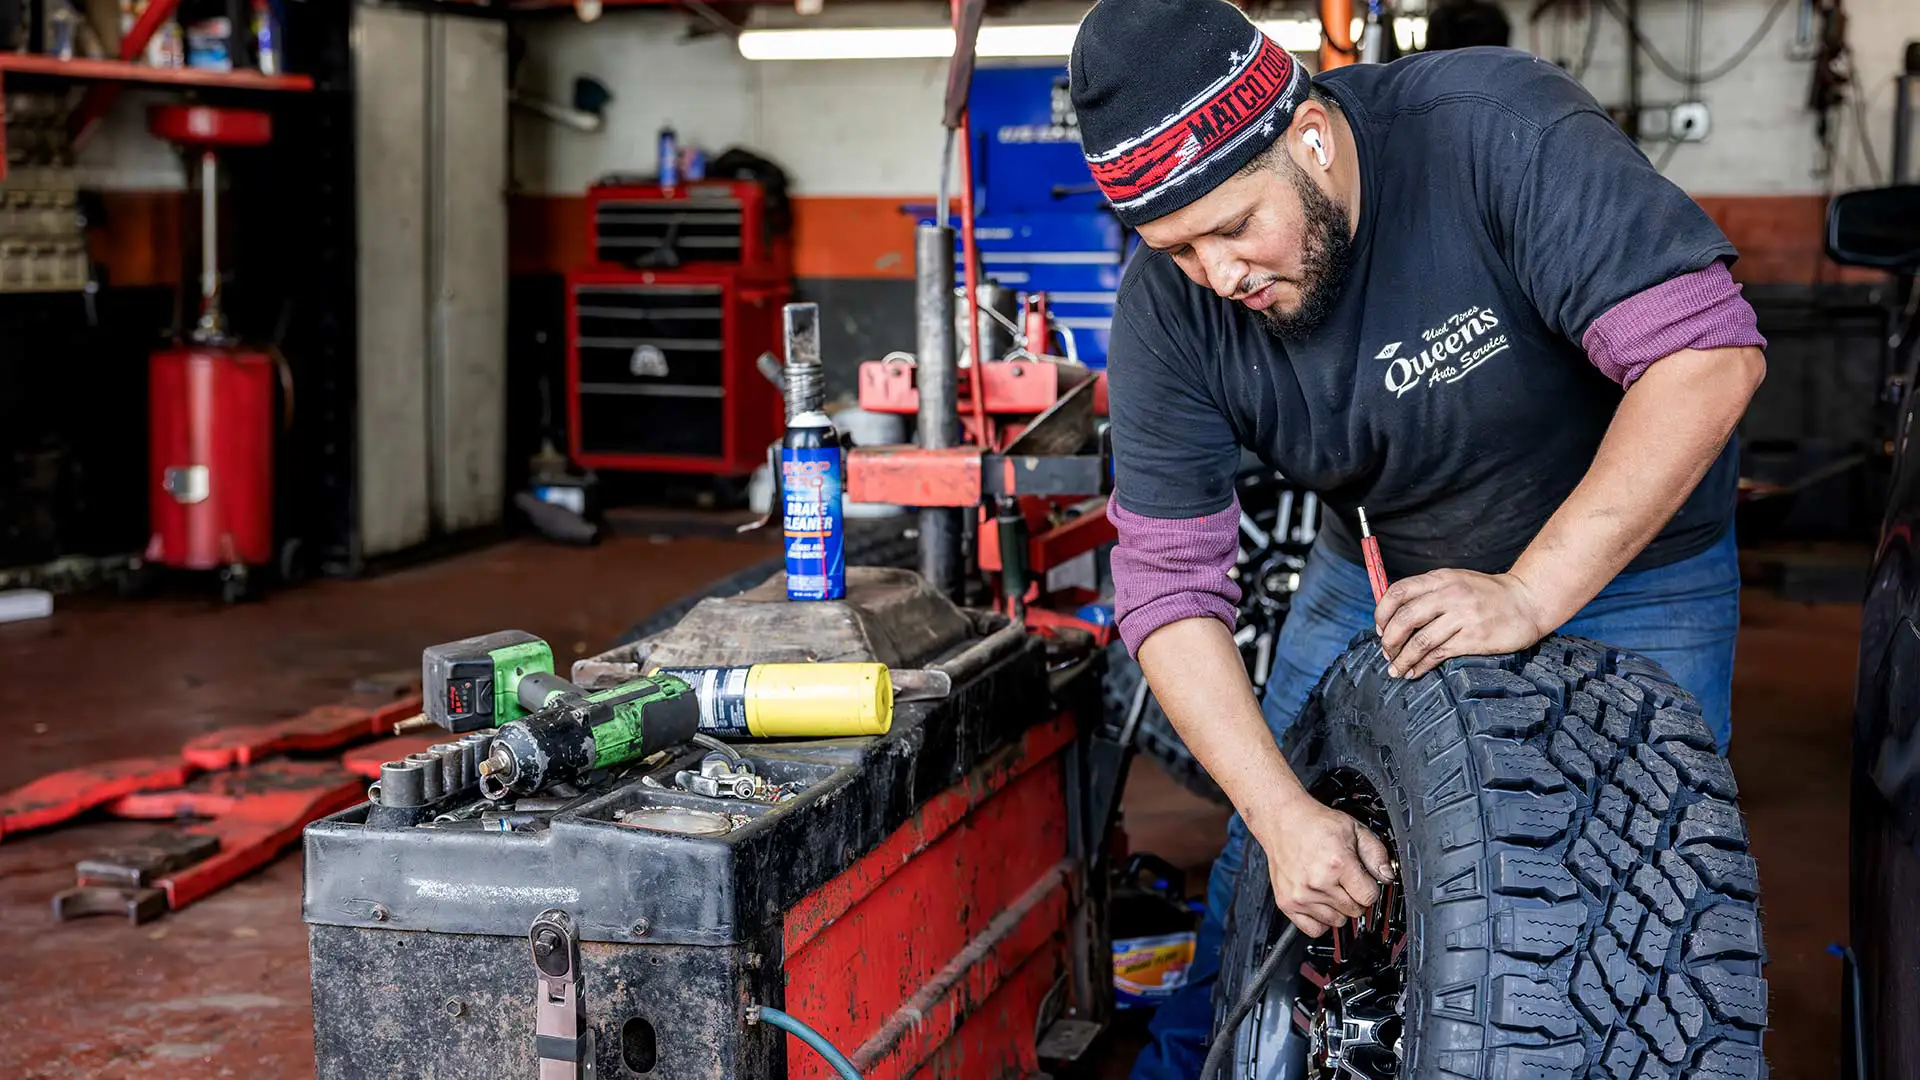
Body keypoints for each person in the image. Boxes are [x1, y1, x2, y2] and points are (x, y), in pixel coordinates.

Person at [1067, 0, 1768, 1075]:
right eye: (1178, 247)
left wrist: (1532, 592)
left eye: (1233, 226)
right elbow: (1167, 588)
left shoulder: (1490, 129)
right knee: (1262, 871)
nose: (1220, 275)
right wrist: (1279, 811)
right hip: (1380, 569)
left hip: (1639, 559)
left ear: (1306, 134)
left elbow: (1707, 356)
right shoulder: (1173, 309)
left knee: (1639, 891)